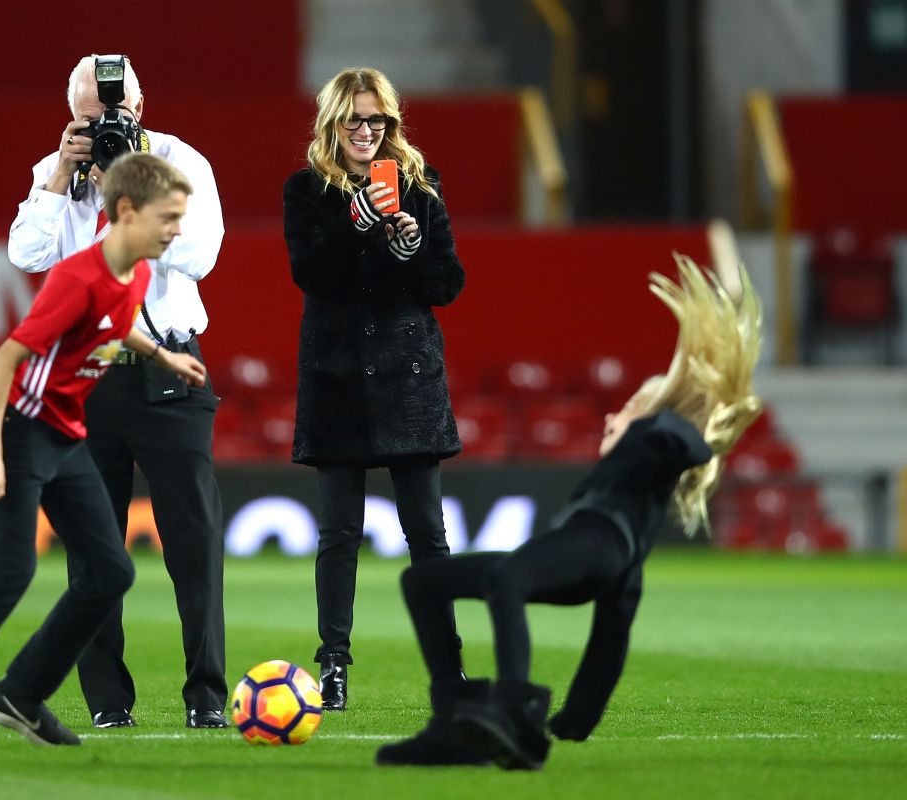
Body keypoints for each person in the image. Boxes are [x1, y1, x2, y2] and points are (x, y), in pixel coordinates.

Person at [375, 256, 764, 769]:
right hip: (595, 555)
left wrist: (685, 434)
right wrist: (578, 717)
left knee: (505, 579)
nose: (612, 415)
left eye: (627, 408)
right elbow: (610, 640)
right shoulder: (637, 499)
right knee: (424, 582)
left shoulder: (656, 440)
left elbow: (683, 440)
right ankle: (454, 718)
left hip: (590, 543)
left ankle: (514, 713)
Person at [0, 153, 206, 750]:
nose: (176, 230)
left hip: (64, 433)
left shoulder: (137, 274)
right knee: (10, 571)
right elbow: (4, 361)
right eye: (168, 218)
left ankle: (19, 695)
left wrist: (161, 354)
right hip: (20, 428)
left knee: (110, 572)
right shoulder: (76, 277)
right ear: (126, 211)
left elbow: (111, 326)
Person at [7, 54, 229, 730]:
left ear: (140, 107)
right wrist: (59, 178)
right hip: (87, 374)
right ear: (71, 117)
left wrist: (134, 195)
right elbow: (25, 254)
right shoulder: (59, 172)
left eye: (115, 112)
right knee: (92, 550)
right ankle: (107, 703)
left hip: (169, 370)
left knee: (194, 543)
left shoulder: (181, 162)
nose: (104, 125)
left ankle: (206, 699)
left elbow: (200, 255)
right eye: (88, 116)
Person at [282, 67, 466, 711]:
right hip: (337, 377)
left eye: (377, 120)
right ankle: (333, 665)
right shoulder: (306, 189)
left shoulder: (420, 184)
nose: (366, 132)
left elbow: (447, 284)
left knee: (428, 534)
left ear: (391, 123)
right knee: (338, 535)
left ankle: (448, 667)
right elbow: (310, 274)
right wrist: (355, 225)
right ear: (332, 123)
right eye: (354, 120)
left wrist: (411, 250)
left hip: (407, 375)